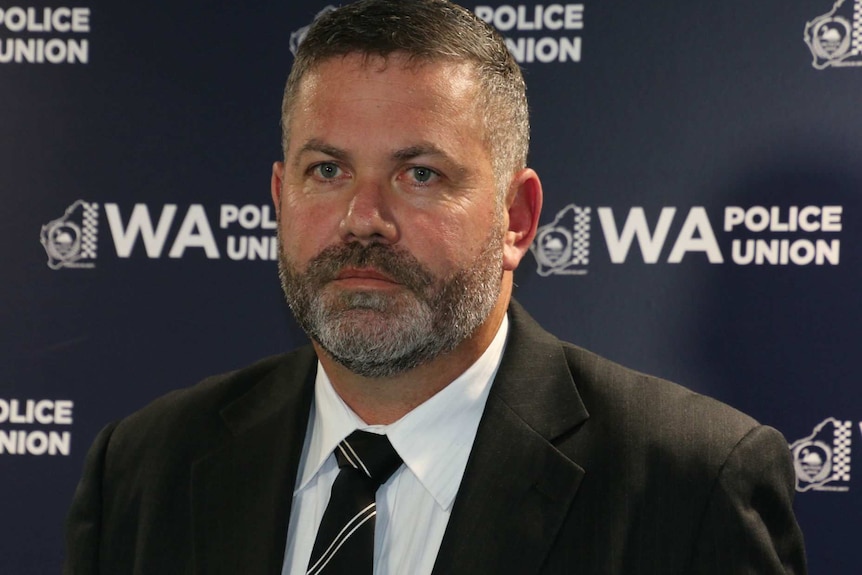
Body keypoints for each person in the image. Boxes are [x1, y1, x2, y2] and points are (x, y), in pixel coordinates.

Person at [64, 0, 807, 573]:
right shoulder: (144, 467)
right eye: (327, 170)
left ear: (516, 219)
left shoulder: (690, 484)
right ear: (279, 196)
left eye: (420, 174)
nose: (364, 219)